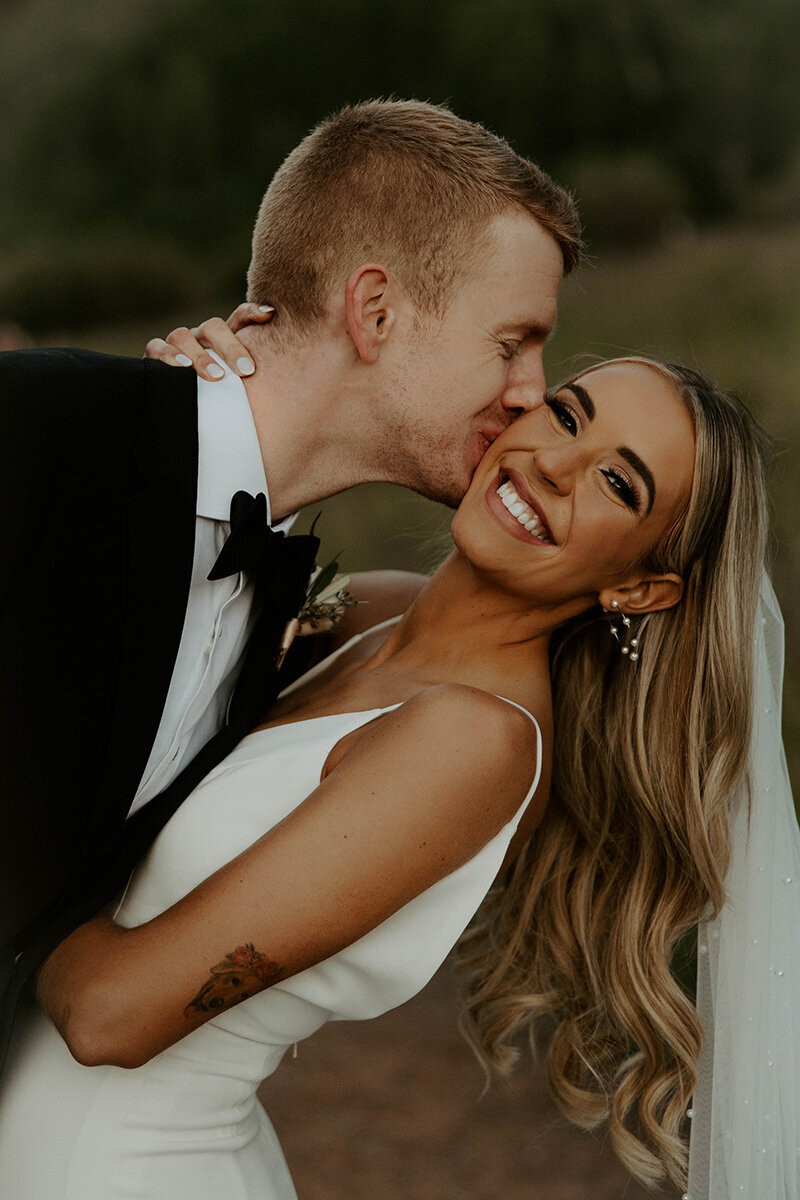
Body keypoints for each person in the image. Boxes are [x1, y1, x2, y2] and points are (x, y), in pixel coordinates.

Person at [0, 356, 787, 1200]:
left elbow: (108, 1016)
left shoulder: (478, 742)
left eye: (618, 484)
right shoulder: (372, 610)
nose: (554, 465)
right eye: (566, 415)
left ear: (640, 586)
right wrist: (196, 400)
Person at [0, 98, 581, 1069]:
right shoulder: (33, 434)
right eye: (511, 340)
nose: (532, 389)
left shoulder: (290, 598)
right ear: (375, 310)